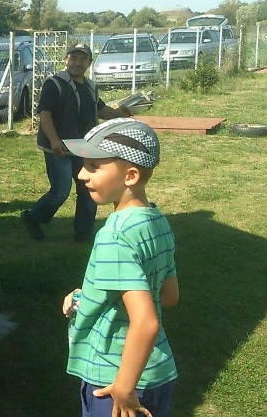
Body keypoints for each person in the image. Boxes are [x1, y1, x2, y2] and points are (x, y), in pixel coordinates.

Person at [61, 118, 179, 417]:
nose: (81, 174)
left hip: (115, 379)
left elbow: (146, 321)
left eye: (94, 166)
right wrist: (90, 294)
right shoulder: (157, 221)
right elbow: (168, 295)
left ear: (130, 175)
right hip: (157, 372)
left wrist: (124, 389)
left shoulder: (115, 235)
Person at [22, 43, 130, 242]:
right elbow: (44, 115)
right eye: (73, 58)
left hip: (83, 147)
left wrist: (120, 114)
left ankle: (83, 233)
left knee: (88, 189)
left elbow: (100, 109)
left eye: (82, 59)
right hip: (59, 148)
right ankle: (33, 217)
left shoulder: (90, 86)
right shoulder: (54, 84)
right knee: (61, 191)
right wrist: (54, 141)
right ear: (66, 60)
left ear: (89, 62)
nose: (77, 63)